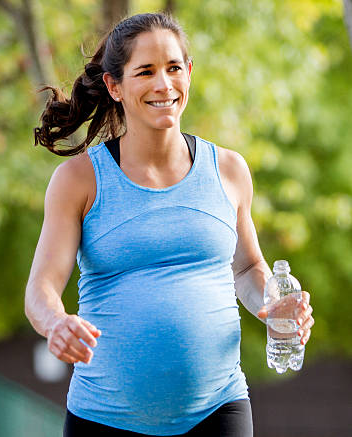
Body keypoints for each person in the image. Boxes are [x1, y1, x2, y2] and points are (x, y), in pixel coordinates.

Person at [24, 12, 315, 437]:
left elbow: (247, 268)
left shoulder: (229, 170)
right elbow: (41, 289)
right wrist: (55, 323)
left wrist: (272, 306)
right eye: (146, 71)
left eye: (174, 68)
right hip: (104, 418)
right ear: (114, 86)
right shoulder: (80, 180)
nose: (164, 84)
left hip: (219, 410)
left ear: (189, 72)